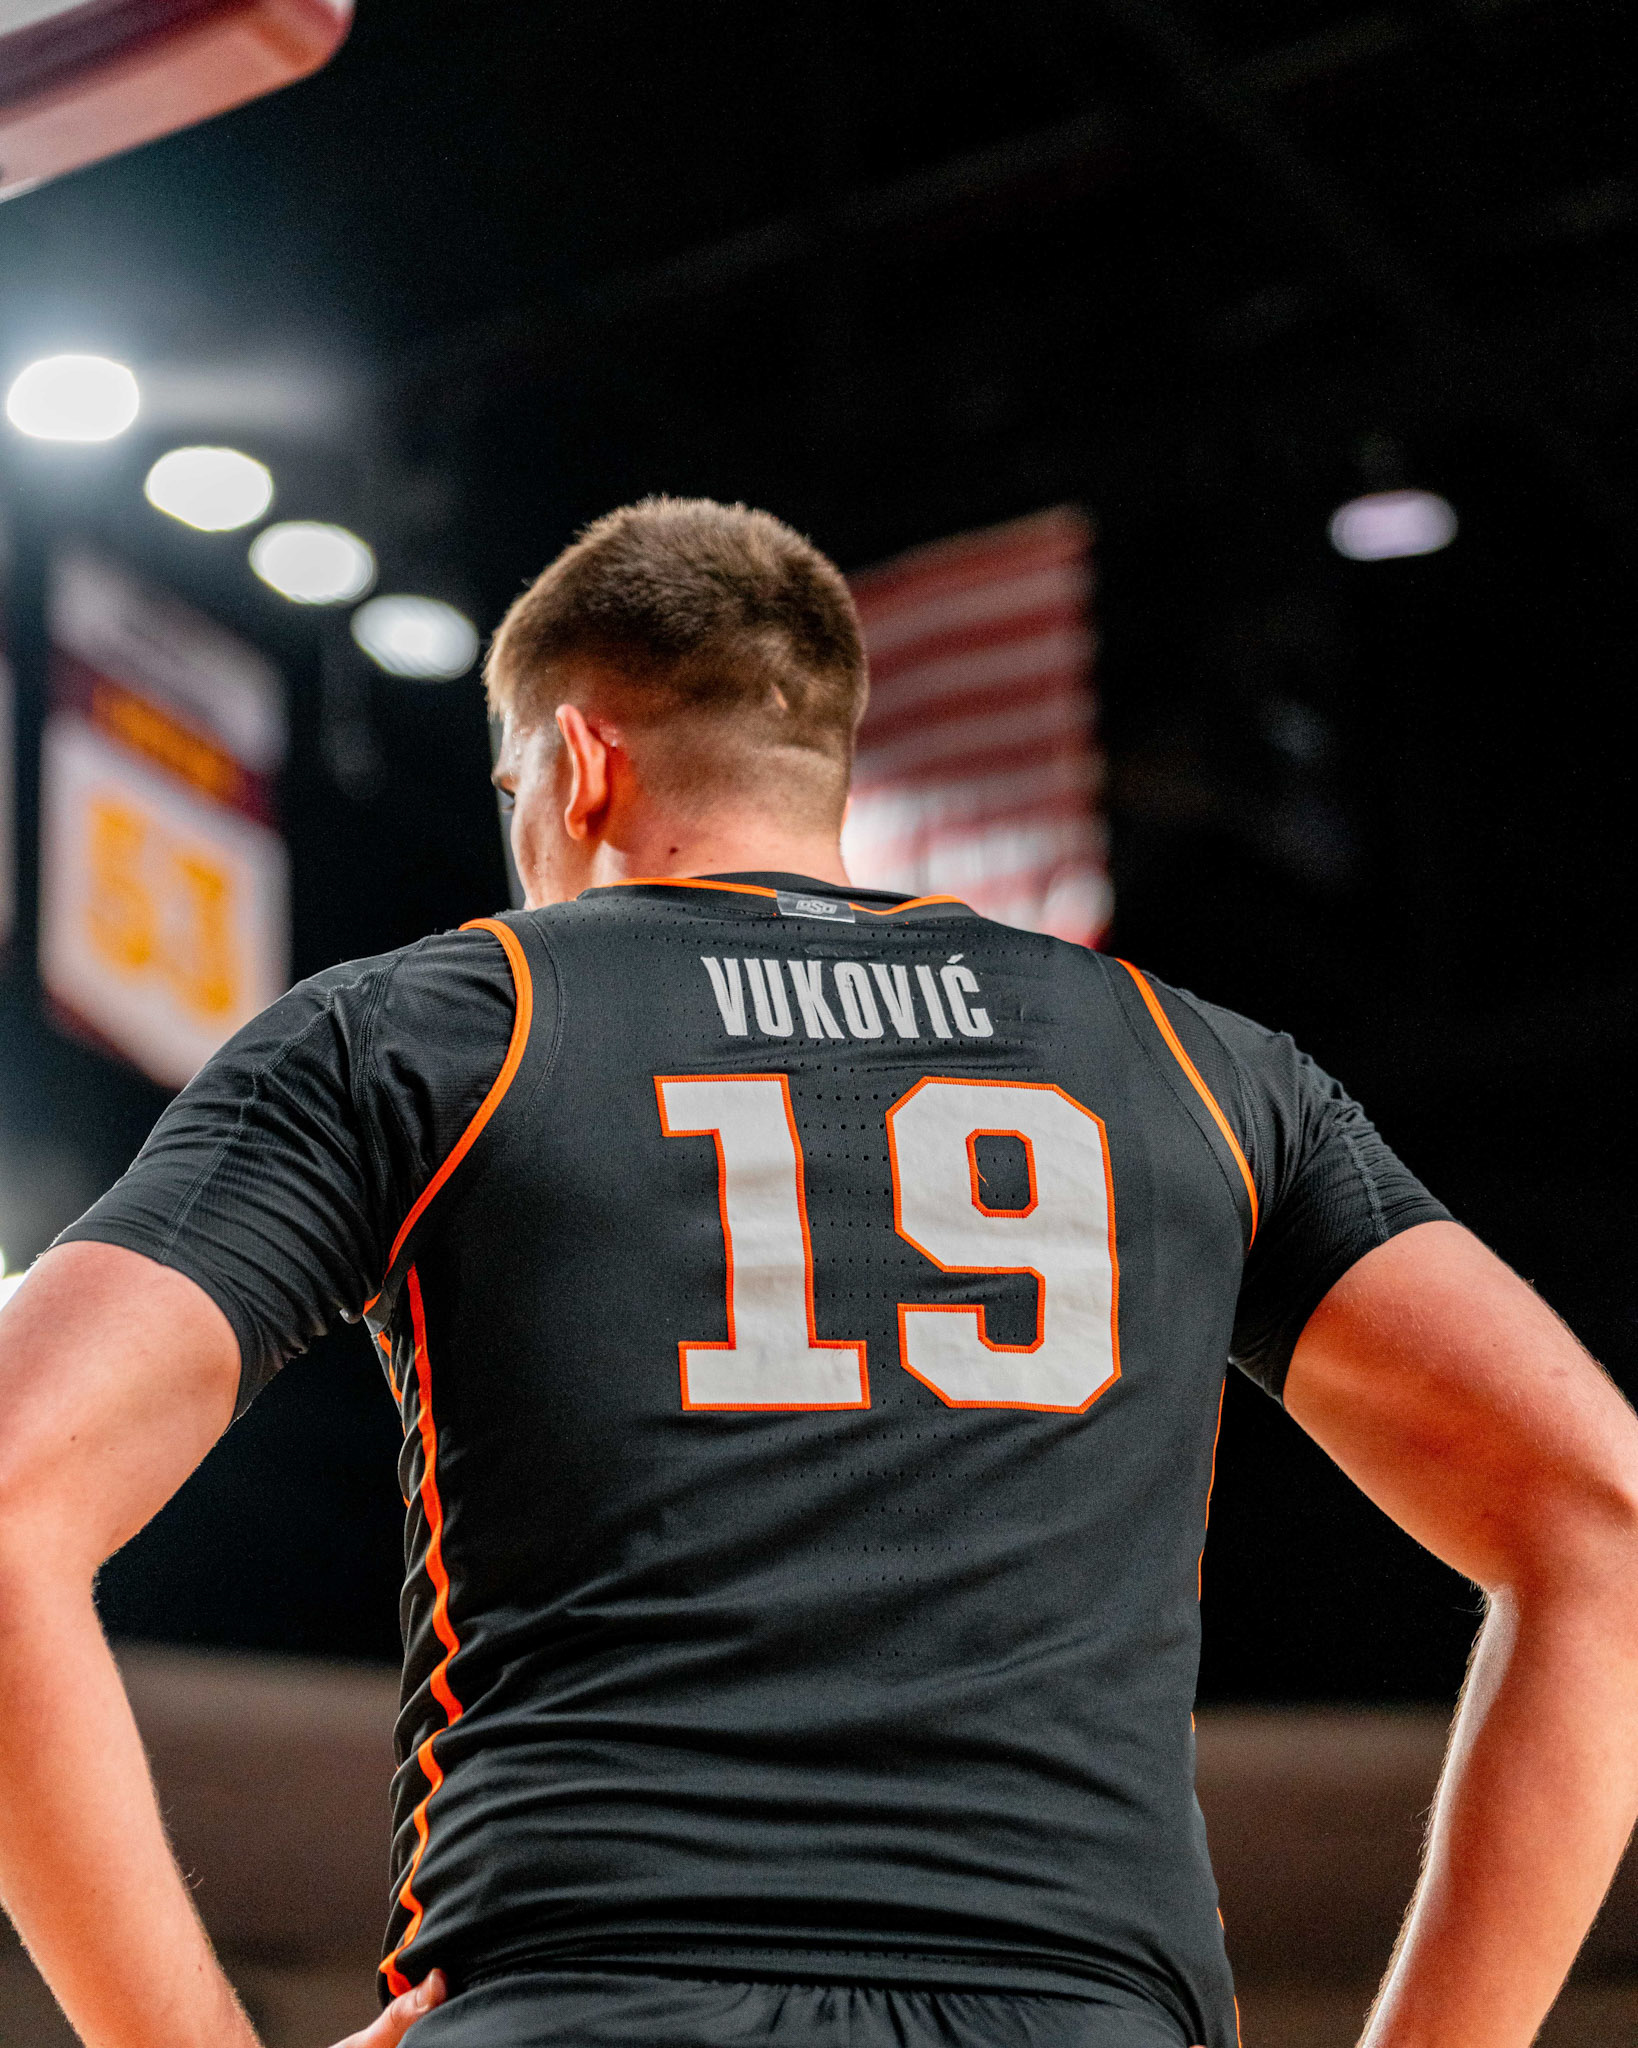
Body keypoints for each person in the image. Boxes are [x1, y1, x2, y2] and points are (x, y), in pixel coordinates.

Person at [0, 498, 1634, 2048]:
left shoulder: (428, 1028)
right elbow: (1601, 1522)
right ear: (821, 764)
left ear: (575, 766)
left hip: (592, 1999)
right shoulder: (1198, 1064)